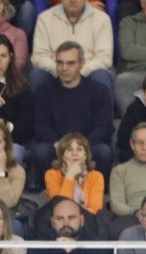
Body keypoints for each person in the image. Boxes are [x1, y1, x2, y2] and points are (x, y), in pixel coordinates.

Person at [27, 41, 112, 184]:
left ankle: (95, 190)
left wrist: (80, 149)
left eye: (70, 63)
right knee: (40, 151)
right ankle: (49, 189)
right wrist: (62, 147)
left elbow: (104, 127)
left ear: (82, 63)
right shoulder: (43, 91)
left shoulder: (98, 90)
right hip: (56, 146)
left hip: (88, 146)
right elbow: (41, 126)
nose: (64, 68)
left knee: (104, 152)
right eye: (60, 63)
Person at [22, 196, 111, 254]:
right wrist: (59, 251)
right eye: (60, 219)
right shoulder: (40, 243)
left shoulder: (95, 243)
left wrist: (73, 253)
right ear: (52, 222)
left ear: (81, 220)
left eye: (71, 218)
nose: (66, 224)